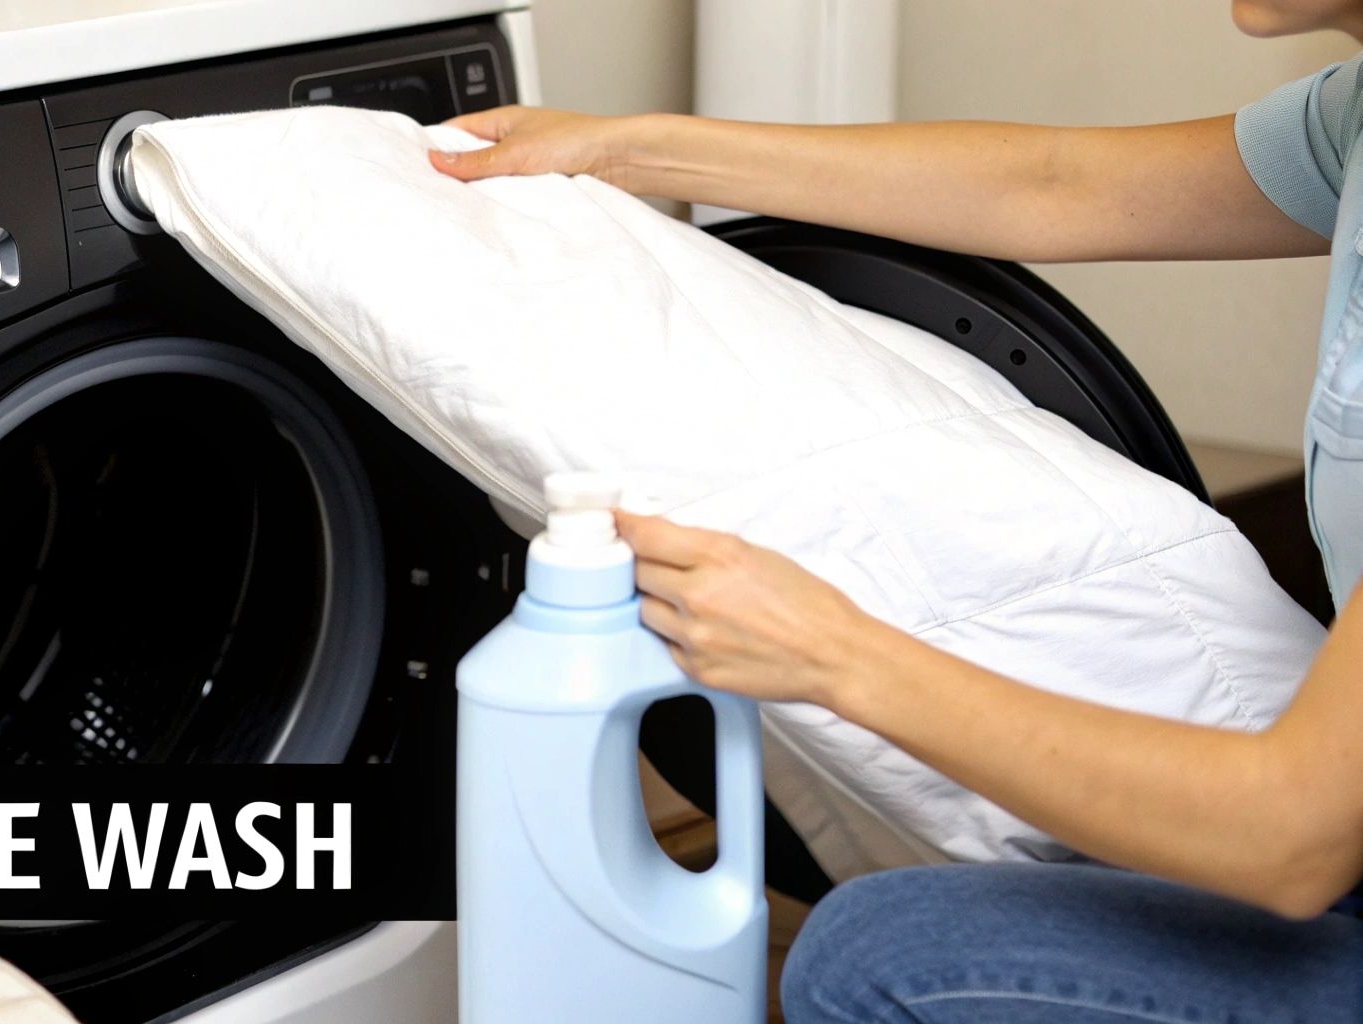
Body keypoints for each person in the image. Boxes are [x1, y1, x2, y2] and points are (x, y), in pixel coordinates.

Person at [430, 2, 1363, 1020]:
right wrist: (627, 148)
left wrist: (831, 652)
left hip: (1314, 839)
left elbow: (1288, 837)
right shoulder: (1350, 122)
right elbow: (1053, 184)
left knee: (880, 955)